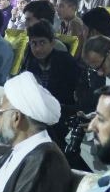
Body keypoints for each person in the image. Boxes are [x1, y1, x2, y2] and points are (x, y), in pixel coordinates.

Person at [21, 20, 80, 148]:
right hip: (37, 114)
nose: (38, 49)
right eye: (34, 43)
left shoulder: (66, 62)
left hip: (61, 115)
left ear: (52, 43)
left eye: (42, 43)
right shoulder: (30, 62)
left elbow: (71, 97)